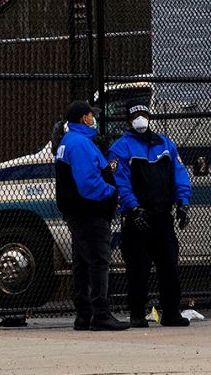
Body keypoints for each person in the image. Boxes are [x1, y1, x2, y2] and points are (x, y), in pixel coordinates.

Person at [108, 102, 193, 327]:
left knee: (169, 265)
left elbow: (179, 173)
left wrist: (183, 203)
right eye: (136, 115)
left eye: (143, 114)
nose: (140, 119)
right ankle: (137, 313)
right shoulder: (121, 147)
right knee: (138, 268)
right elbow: (120, 182)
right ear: (129, 120)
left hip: (163, 215)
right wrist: (133, 208)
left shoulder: (164, 144)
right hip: (138, 217)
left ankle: (172, 311)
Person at [54, 100, 128, 331]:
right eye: (90, 115)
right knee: (98, 261)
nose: (93, 118)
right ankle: (101, 314)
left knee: (82, 262)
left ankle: (84, 314)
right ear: (84, 118)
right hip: (90, 212)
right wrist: (110, 193)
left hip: (78, 212)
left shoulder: (70, 142)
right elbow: (88, 182)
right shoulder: (80, 144)